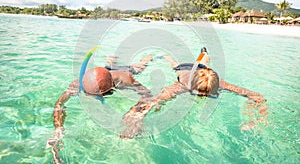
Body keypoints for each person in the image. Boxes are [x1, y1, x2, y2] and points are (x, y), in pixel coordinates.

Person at [120, 47, 268, 139]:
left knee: (205, 60)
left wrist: (257, 119)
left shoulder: (218, 83)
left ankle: (203, 52)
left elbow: (258, 97)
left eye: (208, 93)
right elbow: (152, 100)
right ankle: (165, 55)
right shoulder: (182, 84)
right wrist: (135, 120)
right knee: (173, 64)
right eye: (200, 93)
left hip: (202, 67)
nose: (203, 96)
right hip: (183, 68)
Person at [46, 55, 153, 164]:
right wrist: (58, 128)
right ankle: (111, 60)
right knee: (109, 65)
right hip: (102, 74)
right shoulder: (79, 83)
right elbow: (59, 104)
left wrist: (136, 114)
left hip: (120, 73)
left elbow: (148, 95)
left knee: (140, 67)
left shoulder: (125, 79)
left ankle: (149, 57)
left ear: (111, 88)